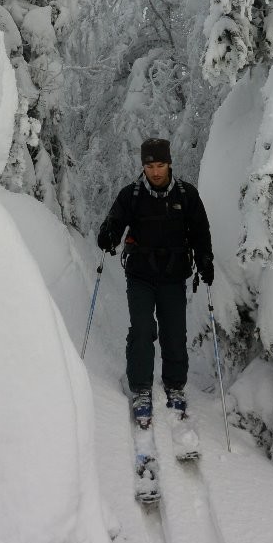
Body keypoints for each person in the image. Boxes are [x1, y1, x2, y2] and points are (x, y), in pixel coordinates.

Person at [97, 137, 214, 426]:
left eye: (160, 165)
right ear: (143, 167)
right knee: (142, 329)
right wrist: (108, 235)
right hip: (140, 274)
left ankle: (175, 385)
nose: (156, 172)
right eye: (150, 166)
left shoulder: (186, 195)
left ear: (169, 164)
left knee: (174, 332)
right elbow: (114, 224)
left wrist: (205, 260)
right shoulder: (132, 195)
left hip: (173, 275)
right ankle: (141, 389)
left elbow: (200, 232)